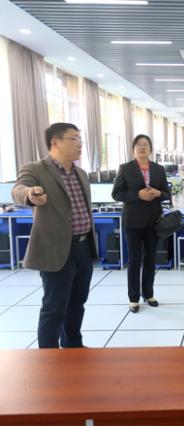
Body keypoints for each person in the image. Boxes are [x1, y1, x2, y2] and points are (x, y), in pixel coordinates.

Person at [12, 122, 98, 348]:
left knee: (77, 303)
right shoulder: (36, 169)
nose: (80, 144)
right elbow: (19, 189)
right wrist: (30, 194)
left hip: (83, 247)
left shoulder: (81, 173)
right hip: (56, 250)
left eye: (80, 139)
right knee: (54, 308)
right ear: (56, 142)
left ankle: (73, 347)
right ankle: (48, 358)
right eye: (74, 139)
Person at [112, 134, 171, 313]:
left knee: (151, 259)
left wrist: (158, 193)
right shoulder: (125, 168)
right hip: (133, 221)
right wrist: (138, 195)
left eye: (145, 144)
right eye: (138, 145)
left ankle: (148, 294)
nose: (142, 147)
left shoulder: (158, 169)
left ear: (150, 149)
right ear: (133, 149)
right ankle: (133, 298)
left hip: (153, 222)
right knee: (134, 260)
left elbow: (167, 194)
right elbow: (116, 194)